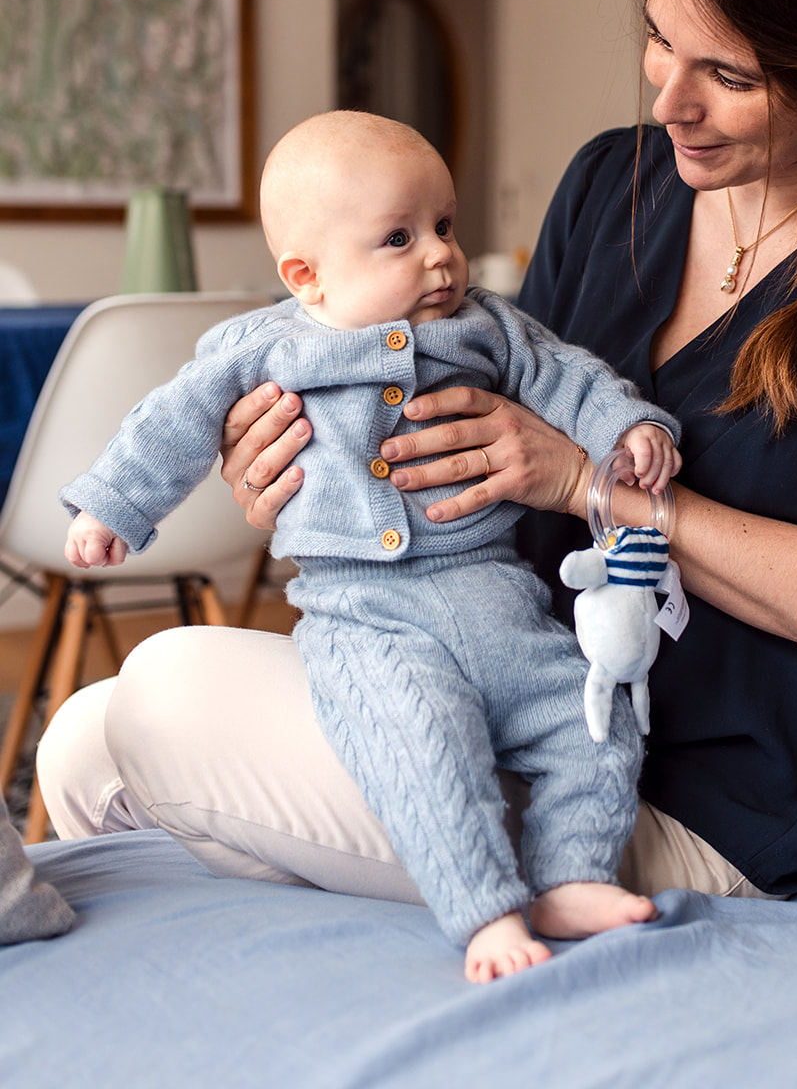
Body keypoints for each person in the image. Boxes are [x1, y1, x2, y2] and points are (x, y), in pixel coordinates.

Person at [40, 0, 797, 936]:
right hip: (505, 695)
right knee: (86, 730)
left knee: (157, 696)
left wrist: (588, 482)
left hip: (695, 793)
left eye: (727, 74)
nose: (670, 103)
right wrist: (298, 464)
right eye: (659, 46)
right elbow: (455, 440)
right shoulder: (610, 183)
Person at [59, 112, 681, 982]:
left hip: (498, 597)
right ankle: (486, 910)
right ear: (306, 276)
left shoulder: (489, 325)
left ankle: (573, 873)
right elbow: (173, 419)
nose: (439, 256)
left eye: (445, 226)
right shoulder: (269, 343)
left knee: (596, 720)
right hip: (367, 614)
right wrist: (114, 508)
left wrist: (626, 432)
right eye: (398, 237)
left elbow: (569, 377)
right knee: (426, 745)